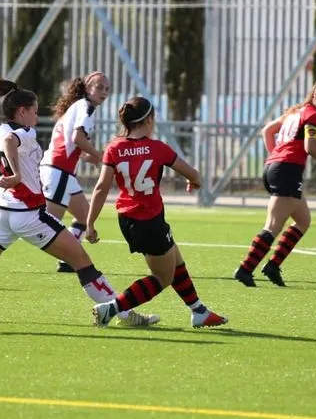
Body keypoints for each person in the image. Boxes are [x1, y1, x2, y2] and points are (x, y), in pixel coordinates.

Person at [0, 69, 158, 328]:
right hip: (28, 214)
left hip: (2, 212)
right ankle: (125, 315)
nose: (37, 116)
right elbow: (9, 140)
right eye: (34, 110)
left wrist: (5, 168)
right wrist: (16, 173)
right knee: (82, 261)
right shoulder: (21, 133)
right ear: (21, 112)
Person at [86, 96, 228, 329]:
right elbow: (193, 173)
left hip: (128, 219)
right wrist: (194, 181)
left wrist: (90, 223)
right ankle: (110, 309)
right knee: (163, 278)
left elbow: (101, 187)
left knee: (175, 257)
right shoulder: (157, 148)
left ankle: (198, 311)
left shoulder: (114, 148)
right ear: (149, 119)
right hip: (148, 220)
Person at [233, 79, 316, 288]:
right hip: (287, 171)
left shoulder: (295, 112)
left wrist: (275, 156)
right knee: (273, 226)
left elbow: (267, 131)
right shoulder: (313, 114)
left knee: (303, 220)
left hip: (275, 168)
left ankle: (272, 266)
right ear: (314, 94)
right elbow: (311, 148)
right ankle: (245, 269)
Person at [41, 71, 110, 273]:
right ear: (87, 88)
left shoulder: (79, 107)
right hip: (58, 171)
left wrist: (97, 157)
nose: (103, 92)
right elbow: (78, 139)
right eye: (99, 87)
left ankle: (67, 261)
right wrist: (98, 154)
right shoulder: (86, 107)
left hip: (63, 172)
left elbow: (76, 148)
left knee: (85, 216)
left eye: (107, 89)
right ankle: (4, 231)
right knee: (45, 225)